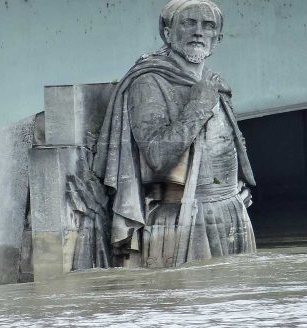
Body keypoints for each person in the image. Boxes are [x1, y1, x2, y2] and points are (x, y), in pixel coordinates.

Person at [93, 0, 256, 268]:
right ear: (167, 33)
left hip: (231, 211)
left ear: (218, 38)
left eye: (208, 26)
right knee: (184, 301)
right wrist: (199, 105)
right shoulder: (149, 82)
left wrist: (237, 186)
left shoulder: (214, 83)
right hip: (181, 217)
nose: (198, 32)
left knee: (237, 303)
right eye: (189, 23)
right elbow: (157, 155)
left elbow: (226, 144)